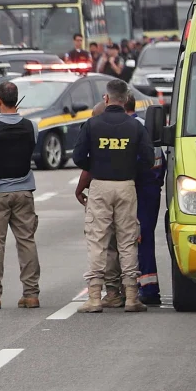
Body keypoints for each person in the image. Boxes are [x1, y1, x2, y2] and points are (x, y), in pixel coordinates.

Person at [72, 79, 154, 313]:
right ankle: (131, 297)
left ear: (106, 98)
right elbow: (148, 159)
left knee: (98, 240)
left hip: (100, 185)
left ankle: (95, 297)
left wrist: (98, 164)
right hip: (126, 185)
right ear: (126, 99)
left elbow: (78, 157)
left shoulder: (92, 124)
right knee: (127, 241)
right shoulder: (135, 126)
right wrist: (130, 168)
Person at [0, 82, 41, 310]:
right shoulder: (31, 126)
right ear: (16, 100)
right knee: (27, 241)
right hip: (24, 191)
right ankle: (31, 294)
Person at [101, 97, 165, 307]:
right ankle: (147, 286)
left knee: (135, 238)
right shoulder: (144, 126)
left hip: (138, 189)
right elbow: (160, 162)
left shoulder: (130, 129)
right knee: (144, 238)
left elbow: (132, 162)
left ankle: (143, 289)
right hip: (151, 188)